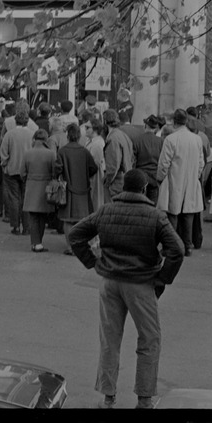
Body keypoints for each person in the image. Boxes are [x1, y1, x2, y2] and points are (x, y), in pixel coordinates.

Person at [67, 168, 185, 409]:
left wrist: (93, 262)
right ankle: (144, 399)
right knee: (149, 339)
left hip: (110, 282)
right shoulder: (155, 216)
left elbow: (76, 235)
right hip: (141, 283)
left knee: (109, 339)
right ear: (144, 190)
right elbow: (178, 250)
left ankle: (108, 397)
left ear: (123, 188)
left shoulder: (106, 210)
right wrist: (162, 278)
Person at [156, 108, 205, 257]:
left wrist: (160, 178)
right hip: (190, 179)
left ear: (174, 122)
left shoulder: (171, 139)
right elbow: (201, 162)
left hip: (174, 179)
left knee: (172, 214)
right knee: (188, 214)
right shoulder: (197, 139)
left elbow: (164, 163)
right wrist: (195, 176)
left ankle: (171, 246)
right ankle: (187, 245)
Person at [55, 123, 98, 255]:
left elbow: (57, 169)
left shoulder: (62, 151)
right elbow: (94, 168)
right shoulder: (84, 151)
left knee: (68, 220)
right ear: (79, 136)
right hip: (83, 189)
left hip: (68, 189)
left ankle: (70, 247)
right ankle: (80, 246)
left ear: (67, 135)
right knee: (82, 220)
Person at [21, 130, 57, 253]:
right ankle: (38, 242)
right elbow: (54, 172)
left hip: (31, 186)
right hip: (45, 187)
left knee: (33, 216)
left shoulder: (27, 153)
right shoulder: (51, 154)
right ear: (45, 140)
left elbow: (22, 173)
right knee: (42, 216)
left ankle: (35, 242)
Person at [0, 110, 34, 235]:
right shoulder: (32, 134)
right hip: (28, 171)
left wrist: (4, 164)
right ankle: (27, 226)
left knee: (14, 198)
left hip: (12, 169)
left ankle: (15, 226)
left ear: (15, 121)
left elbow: (3, 152)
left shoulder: (9, 134)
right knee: (26, 198)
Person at [102, 109, 134, 202]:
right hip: (125, 179)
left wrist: (107, 182)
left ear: (105, 121)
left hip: (117, 184)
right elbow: (132, 158)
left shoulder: (113, 138)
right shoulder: (123, 135)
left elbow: (113, 166)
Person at [136, 115, 164, 204]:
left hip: (140, 176)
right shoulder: (160, 141)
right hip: (154, 176)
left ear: (146, 126)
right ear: (155, 128)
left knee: (140, 204)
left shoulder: (137, 140)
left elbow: (132, 160)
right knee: (152, 205)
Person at [86, 120, 107, 211]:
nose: (85, 130)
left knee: (95, 200)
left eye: (87, 128)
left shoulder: (97, 144)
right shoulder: (91, 141)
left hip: (96, 176)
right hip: (92, 175)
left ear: (94, 129)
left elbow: (95, 163)